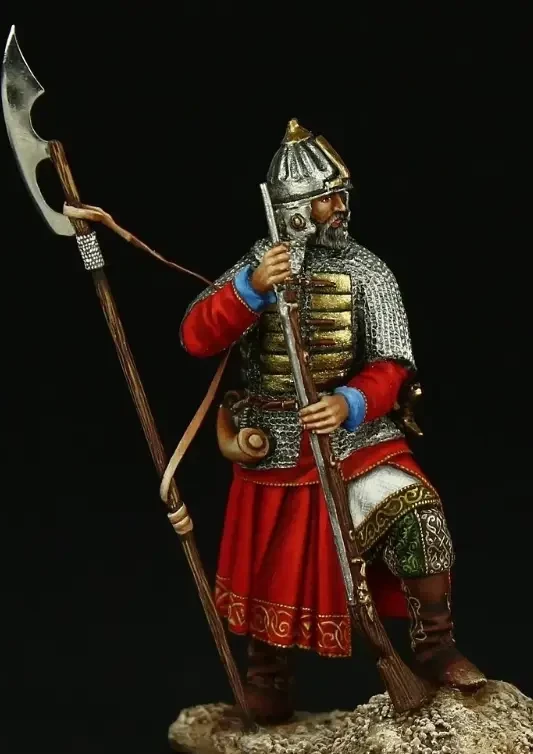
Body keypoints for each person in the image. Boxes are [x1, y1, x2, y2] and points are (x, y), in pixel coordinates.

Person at [179, 118, 486, 724]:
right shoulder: (256, 266)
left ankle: (435, 647)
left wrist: (348, 403)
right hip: (274, 444)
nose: (339, 207)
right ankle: (268, 677)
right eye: (325, 198)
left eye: (341, 195)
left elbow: (393, 365)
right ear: (295, 207)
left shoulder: (369, 271)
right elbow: (195, 336)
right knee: (271, 563)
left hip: (357, 441)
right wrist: (250, 288)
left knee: (420, 514)